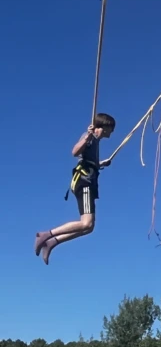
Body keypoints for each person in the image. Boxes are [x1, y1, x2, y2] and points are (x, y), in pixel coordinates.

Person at [35, 113, 116, 265]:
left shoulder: (97, 142)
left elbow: (88, 160)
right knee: (86, 223)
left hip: (89, 182)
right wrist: (87, 138)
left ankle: (52, 242)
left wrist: (102, 163)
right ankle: (46, 235)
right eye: (111, 128)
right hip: (84, 181)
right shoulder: (89, 136)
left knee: (89, 227)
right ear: (104, 126)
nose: (112, 131)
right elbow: (75, 152)